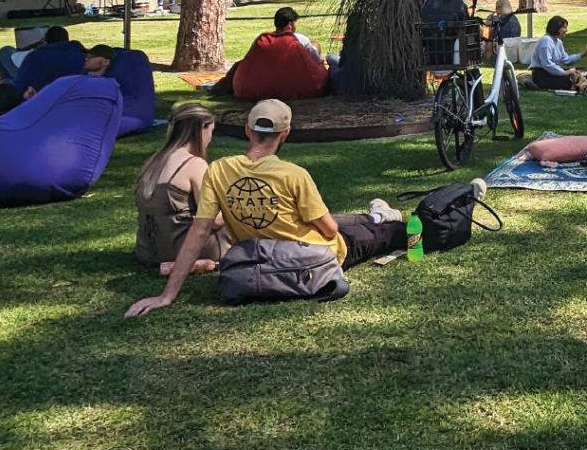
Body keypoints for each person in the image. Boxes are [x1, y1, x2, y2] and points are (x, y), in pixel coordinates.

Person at [126, 101, 406, 316]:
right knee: (381, 232)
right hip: (313, 257)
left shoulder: (219, 170)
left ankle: (375, 215)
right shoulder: (294, 174)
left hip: (259, 256)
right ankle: (380, 218)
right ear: (285, 134)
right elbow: (329, 229)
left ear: (248, 131)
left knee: (348, 222)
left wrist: (167, 296)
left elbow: (199, 232)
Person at [134, 103, 228, 275]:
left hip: (149, 251)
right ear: (201, 129)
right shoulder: (194, 164)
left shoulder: (152, 162)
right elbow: (212, 220)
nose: (210, 139)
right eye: (211, 132)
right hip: (184, 251)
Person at [530, 16, 587, 93]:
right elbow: (547, 64)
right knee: (572, 78)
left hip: (553, 72)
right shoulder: (546, 41)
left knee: (581, 71)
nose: (566, 30)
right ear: (556, 28)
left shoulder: (558, 42)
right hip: (542, 75)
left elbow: (566, 60)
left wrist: (583, 54)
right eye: (564, 28)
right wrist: (564, 72)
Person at [15, 26, 88, 99]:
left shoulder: (35, 56)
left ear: (45, 41)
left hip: (41, 99)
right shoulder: (81, 54)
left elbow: (20, 84)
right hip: (75, 97)